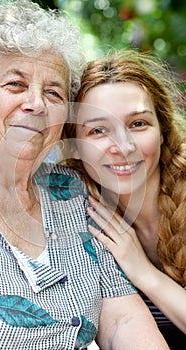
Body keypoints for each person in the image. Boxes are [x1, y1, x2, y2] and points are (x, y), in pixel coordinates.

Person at [0, 0, 170, 348]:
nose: (37, 104)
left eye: (53, 92)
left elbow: (123, 318)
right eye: (15, 85)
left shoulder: (70, 191)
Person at [63, 49, 186, 349]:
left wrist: (142, 271)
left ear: (163, 130)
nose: (122, 145)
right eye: (99, 130)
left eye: (138, 124)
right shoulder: (77, 213)